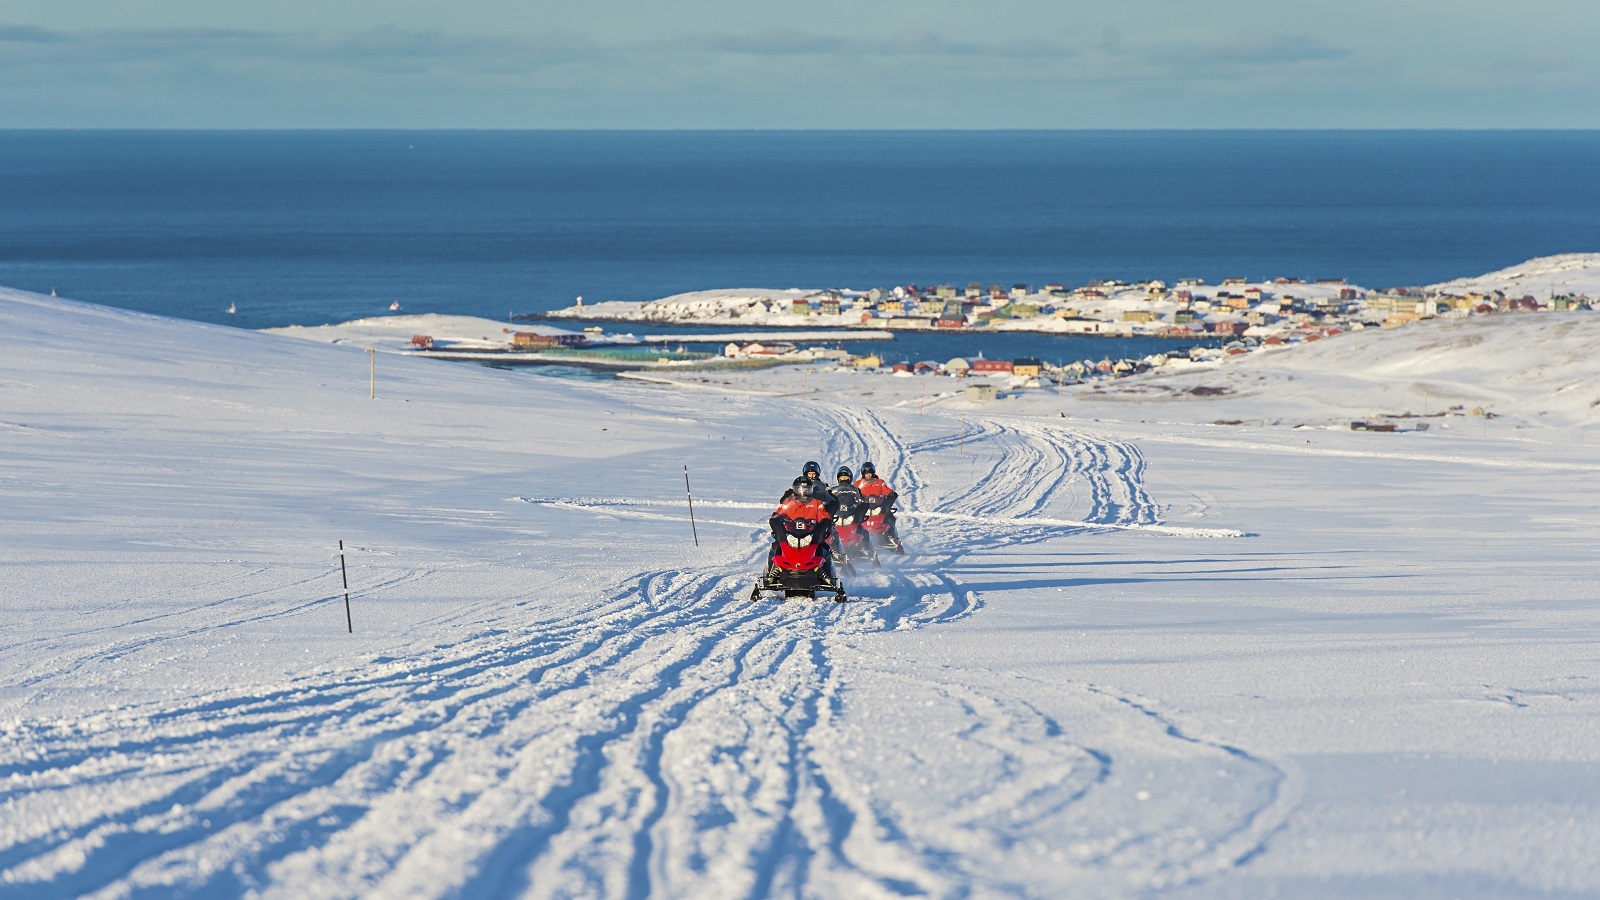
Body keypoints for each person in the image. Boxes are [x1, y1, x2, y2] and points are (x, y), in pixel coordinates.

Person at [768, 476, 838, 580]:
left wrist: (824, 523)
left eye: (806, 489)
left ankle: (829, 576)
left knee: (824, 548)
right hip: (790, 533)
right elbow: (779, 513)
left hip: (811, 533)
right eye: (800, 489)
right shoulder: (788, 502)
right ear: (795, 490)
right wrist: (776, 519)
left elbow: (824, 515)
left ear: (811, 490)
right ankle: (770, 575)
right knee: (775, 547)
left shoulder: (816, 503)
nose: (803, 492)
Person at [855, 461, 904, 552]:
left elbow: (889, 492)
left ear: (873, 473)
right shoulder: (858, 484)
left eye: (870, 474)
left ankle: (892, 537)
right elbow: (852, 495)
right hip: (864, 509)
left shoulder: (880, 483)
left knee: (889, 517)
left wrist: (890, 498)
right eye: (866, 474)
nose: (868, 476)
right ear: (863, 474)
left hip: (878, 508)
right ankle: (853, 542)